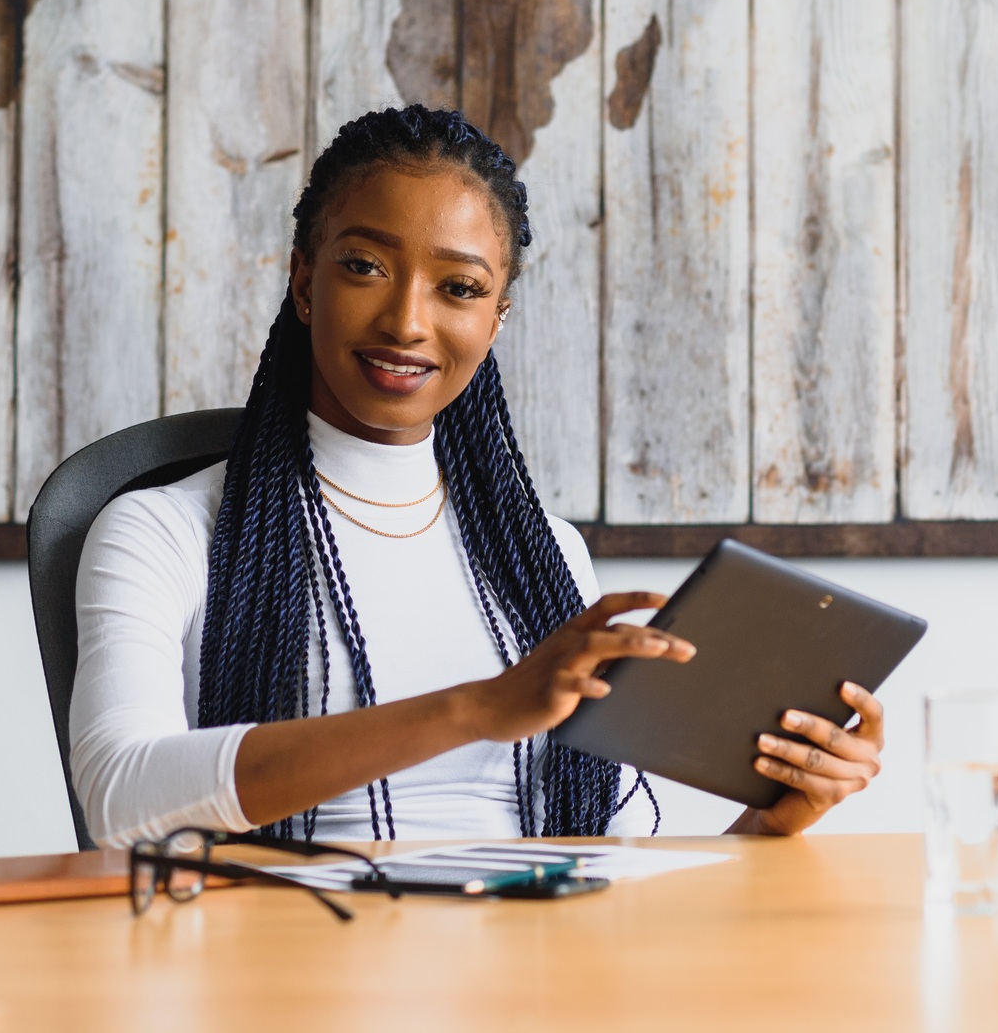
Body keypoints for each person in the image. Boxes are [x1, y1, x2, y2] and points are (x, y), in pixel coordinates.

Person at [69, 106, 886, 847]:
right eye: (364, 266)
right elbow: (119, 796)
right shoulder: (162, 531)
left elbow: (613, 862)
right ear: (304, 282)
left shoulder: (542, 556)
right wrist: (478, 708)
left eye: (459, 287)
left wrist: (769, 824)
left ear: (495, 319)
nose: (407, 321)